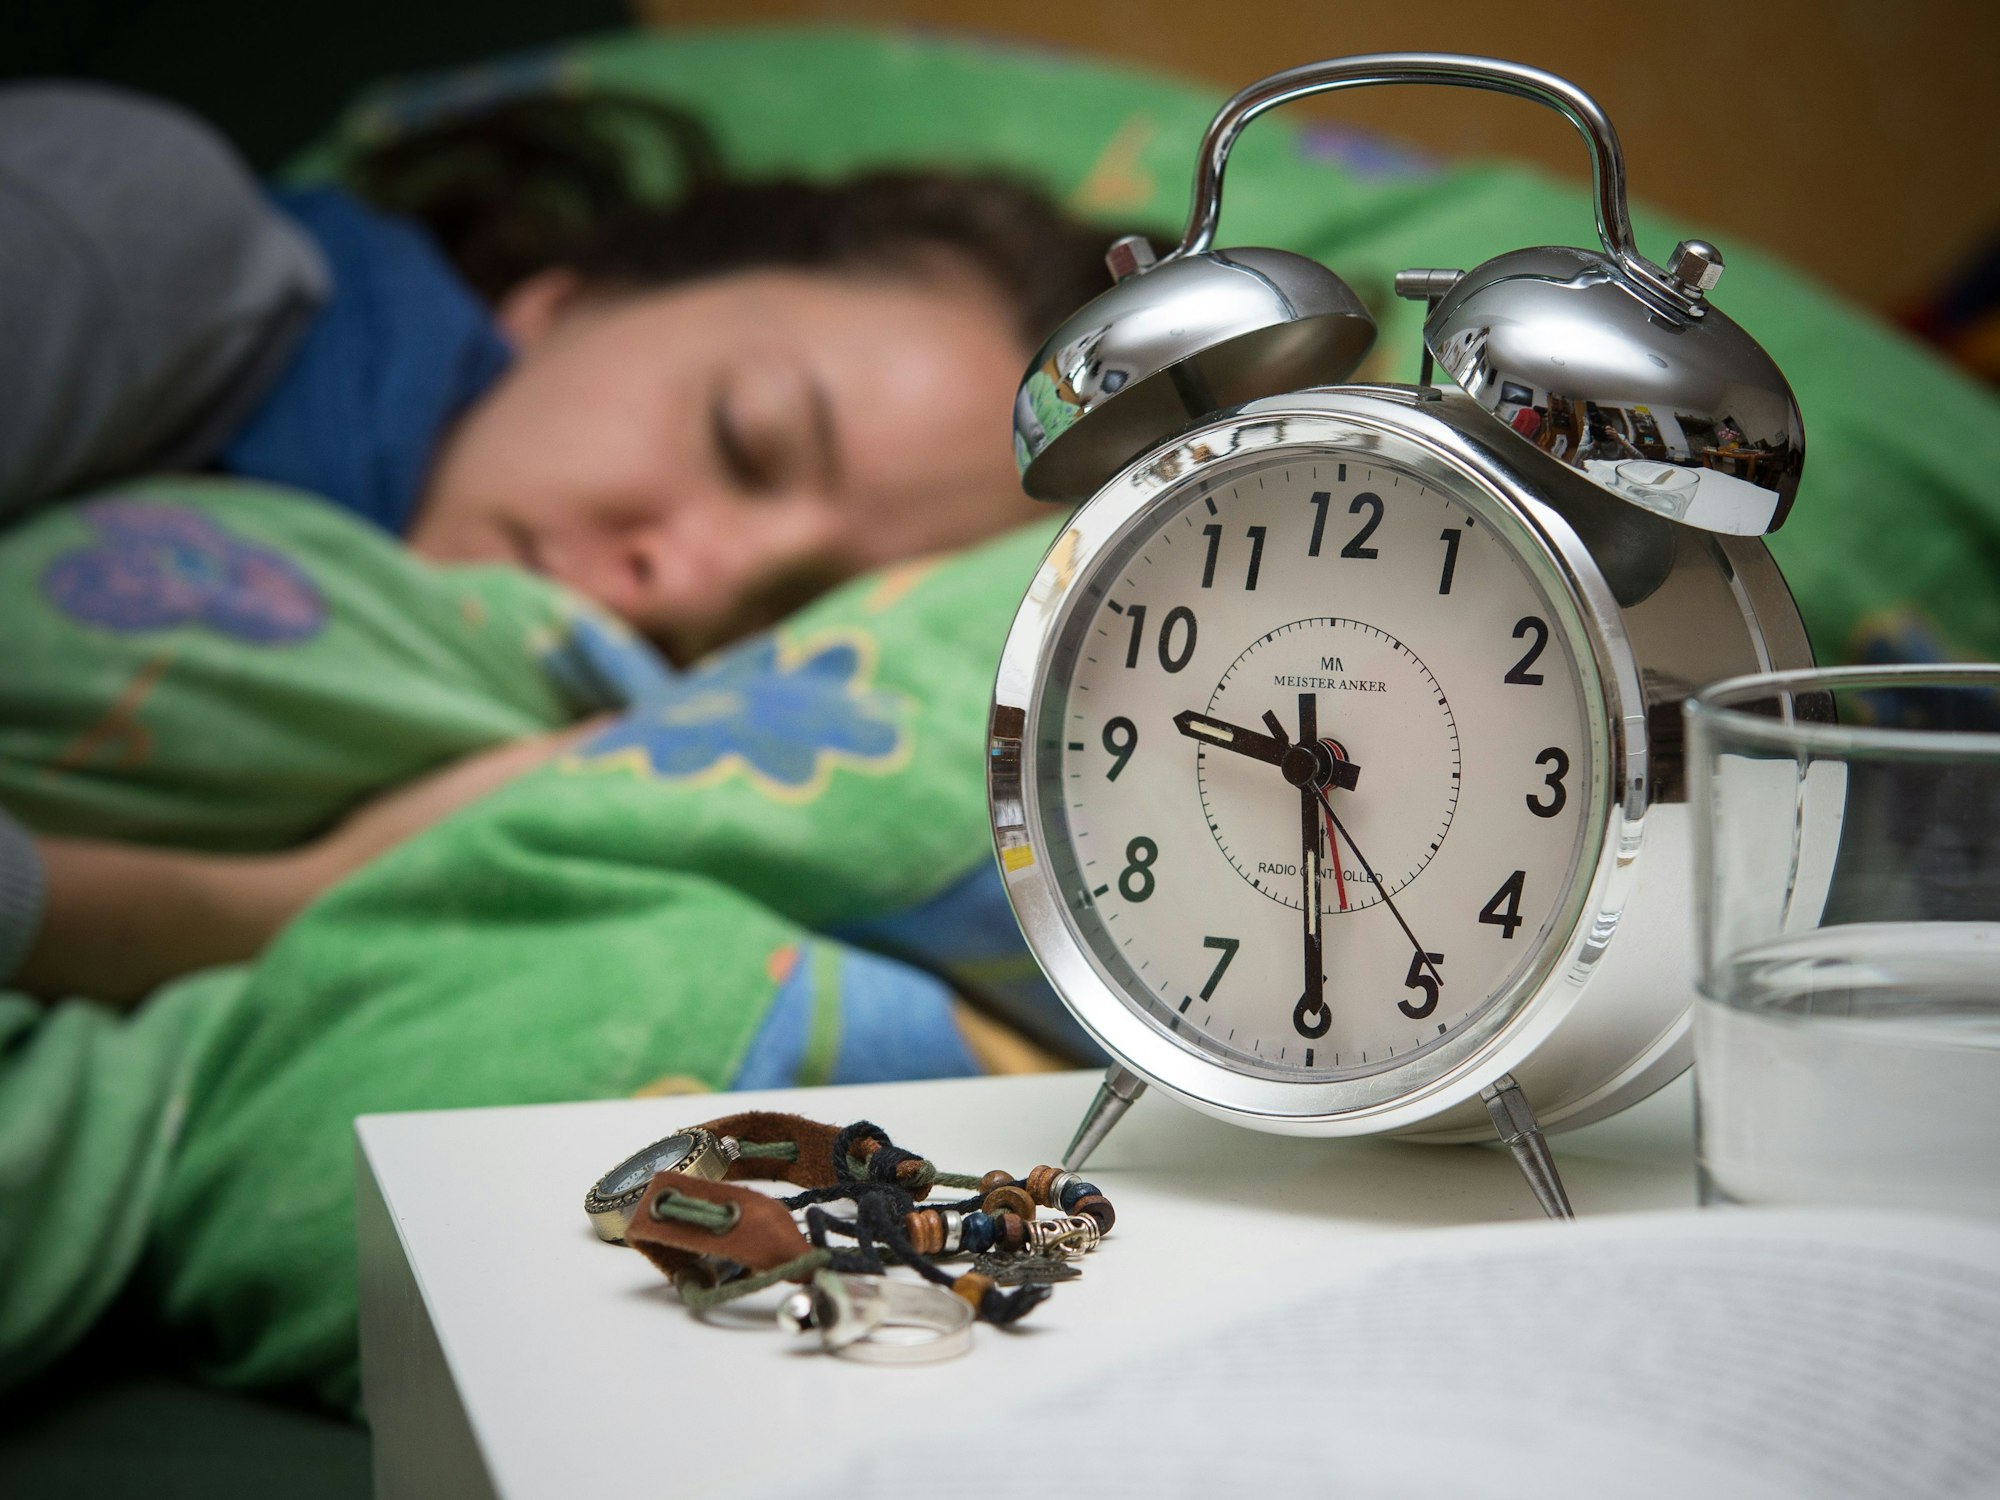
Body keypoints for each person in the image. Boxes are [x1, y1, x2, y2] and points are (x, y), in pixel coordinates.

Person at [0, 84, 1124, 1003]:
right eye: (742, 440)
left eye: (796, 611)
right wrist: (249, 914)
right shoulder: (136, 234)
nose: (697, 582)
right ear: (562, 302)